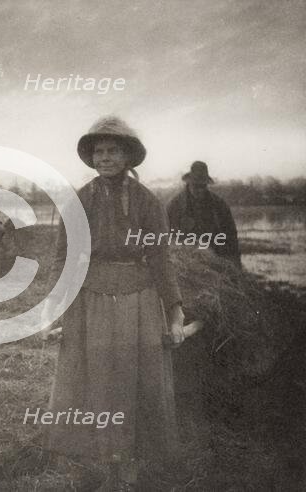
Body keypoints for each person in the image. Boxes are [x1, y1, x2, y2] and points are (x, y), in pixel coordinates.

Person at [40, 116, 185, 488]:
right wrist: (54, 304)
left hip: (138, 298)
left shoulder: (147, 201)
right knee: (93, 378)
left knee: (137, 379)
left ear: (128, 156)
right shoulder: (80, 200)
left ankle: (132, 462)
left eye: (113, 151)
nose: (105, 158)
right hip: (91, 300)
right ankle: (99, 458)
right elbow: (64, 256)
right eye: (99, 151)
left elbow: (161, 259)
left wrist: (175, 311)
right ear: (91, 157)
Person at [167, 161, 241, 267]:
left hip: (215, 260)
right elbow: (167, 236)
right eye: (196, 186)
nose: (199, 190)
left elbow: (231, 237)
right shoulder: (175, 205)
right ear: (188, 183)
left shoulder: (219, 205)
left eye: (203, 186)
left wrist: (236, 265)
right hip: (185, 263)